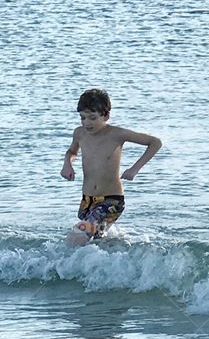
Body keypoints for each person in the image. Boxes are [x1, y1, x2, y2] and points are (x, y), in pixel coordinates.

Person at [60, 88, 162, 245]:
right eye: (83, 118)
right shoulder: (79, 133)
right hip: (88, 200)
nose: (87, 123)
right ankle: (109, 263)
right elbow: (71, 151)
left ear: (106, 115)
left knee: (77, 236)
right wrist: (67, 164)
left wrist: (134, 169)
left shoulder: (117, 134)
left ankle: (62, 266)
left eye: (92, 118)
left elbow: (155, 143)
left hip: (111, 200)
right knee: (94, 241)